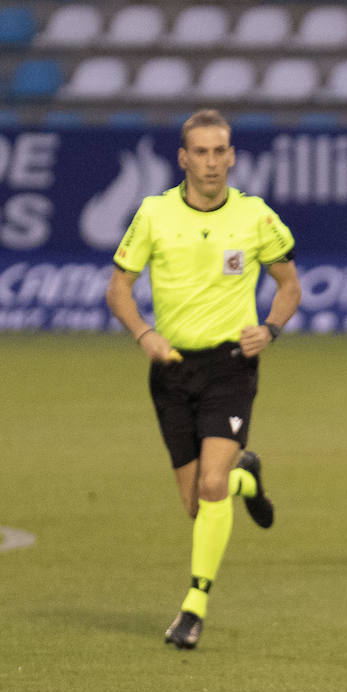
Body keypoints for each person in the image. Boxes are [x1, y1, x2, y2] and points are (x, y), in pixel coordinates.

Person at [105, 108, 301, 650]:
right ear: (183, 158)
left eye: (221, 151)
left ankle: (194, 606)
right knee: (200, 504)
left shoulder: (256, 217)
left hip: (229, 367)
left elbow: (289, 285)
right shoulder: (154, 214)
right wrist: (146, 335)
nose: (212, 162)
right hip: (170, 371)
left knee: (209, 488)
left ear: (232, 156)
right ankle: (247, 478)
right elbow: (118, 289)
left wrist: (271, 328)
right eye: (202, 152)